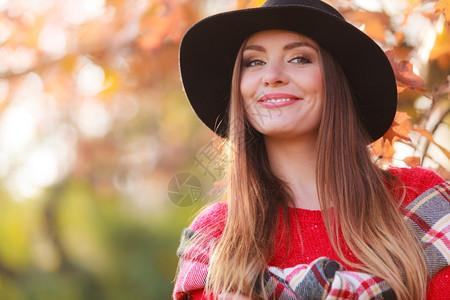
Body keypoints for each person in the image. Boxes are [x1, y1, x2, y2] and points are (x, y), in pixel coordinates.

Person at [173, 0, 450, 299]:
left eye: (299, 58)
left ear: (336, 80)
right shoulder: (218, 239)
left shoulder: (419, 203)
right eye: (254, 62)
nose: (272, 75)